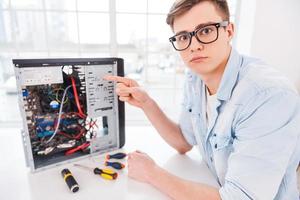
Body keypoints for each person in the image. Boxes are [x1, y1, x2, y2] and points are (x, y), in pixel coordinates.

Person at [105, 0, 300, 199]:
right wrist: (146, 103)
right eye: (183, 37)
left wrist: (152, 173)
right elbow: (183, 142)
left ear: (229, 31)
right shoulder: (195, 78)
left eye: (205, 31)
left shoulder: (268, 96)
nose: (194, 46)